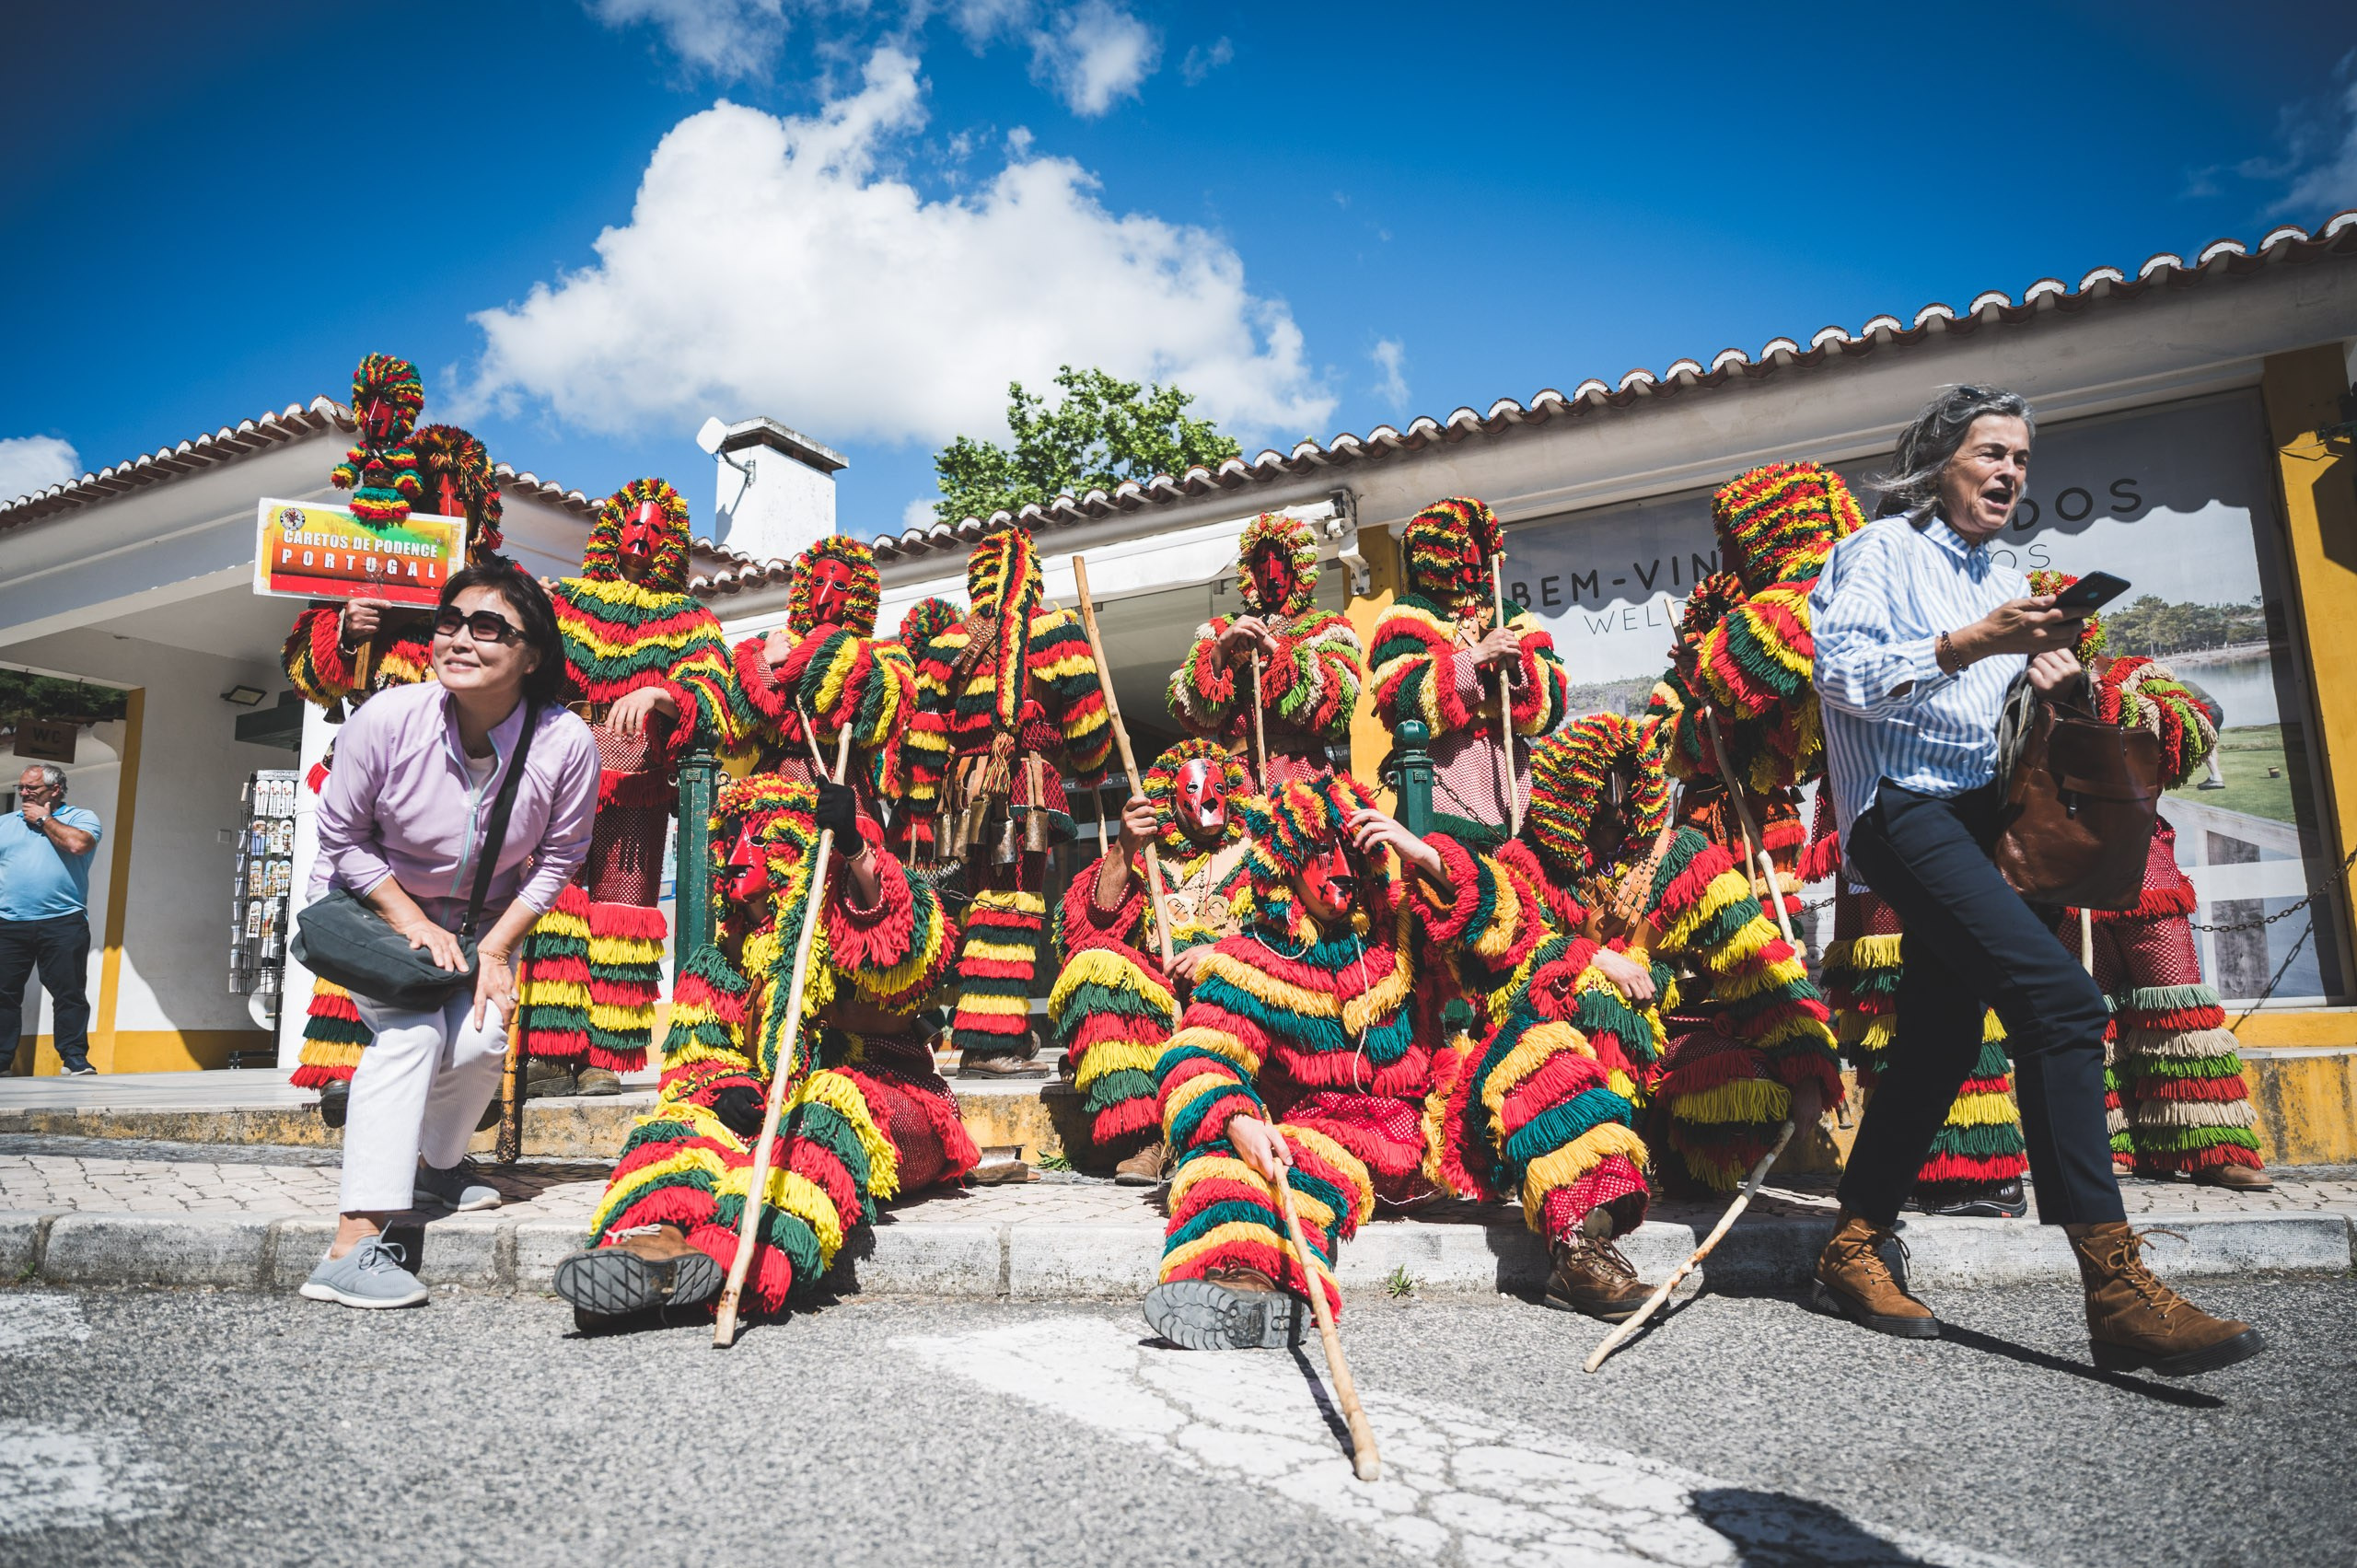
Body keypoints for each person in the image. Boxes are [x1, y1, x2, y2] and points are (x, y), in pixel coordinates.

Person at [1806, 384, 2262, 1376]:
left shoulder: (2001, 574)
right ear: (1937, 462)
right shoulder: (1877, 552)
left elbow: (1989, 706)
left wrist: (2043, 673)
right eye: (1991, 453)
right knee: (2060, 1002)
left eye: (2021, 458)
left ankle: (1847, 1247)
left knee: (1936, 1040)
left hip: (1983, 817)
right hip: (1900, 810)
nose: (2012, 472)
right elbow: (1841, 675)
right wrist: (1979, 641)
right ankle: (2115, 1286)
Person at [556, 772, 975, 1327]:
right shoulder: (724, 956)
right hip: (766, 1109)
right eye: (728, 836)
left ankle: (727, 1259)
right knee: (681, 1119)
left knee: (826, 1105)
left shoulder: (837, 915)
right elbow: (695, 1055)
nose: (732, 855)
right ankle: (650, 1244)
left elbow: (904, 945)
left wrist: (854, 850)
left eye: (755, 837)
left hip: (894, 1108)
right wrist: (726, 1087)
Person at [298, 563, 599, 1310]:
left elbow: (561, 857)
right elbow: (341, 838)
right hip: (372, 909)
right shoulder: (386, 718)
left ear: (532, 654)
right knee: (410, 1038)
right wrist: (411, 920)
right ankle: (352, 1243)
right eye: (450, 620)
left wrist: (495, 947)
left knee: (480, 1040)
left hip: (481, 924)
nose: (460, 637)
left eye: (488, 625)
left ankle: (438, 1167)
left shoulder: (565, 743)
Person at [283, 359, 513, 1121]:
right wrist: (348, 632)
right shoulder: (353, 573)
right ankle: (352, 1068)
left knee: (460, 930)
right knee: (356, 916)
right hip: (373, 789)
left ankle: (455, 1085)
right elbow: (308, 671)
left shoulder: (494, 595)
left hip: (463, 801)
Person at [511, 478, 750, 1097]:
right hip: (559, 773)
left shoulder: (690, 618)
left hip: (638, 782)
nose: (641, 540)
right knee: (553, 904)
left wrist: (661, 692)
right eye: (633, 527)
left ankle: (603, 1058)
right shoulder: (568, 600)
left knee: (623, 911)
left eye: (655, 531)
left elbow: (714, 686)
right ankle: (546, 1050)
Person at [904, 520, 1111, 1078]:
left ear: (977, 580)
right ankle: (989, 1045)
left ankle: (1001, 1030)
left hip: (966, 793)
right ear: (1031, 579)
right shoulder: (1055, 632)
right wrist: (1092, 767)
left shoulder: (945, 644)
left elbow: (923, 737)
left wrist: (923, 810)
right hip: (1024, 789)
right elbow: (1090, 727)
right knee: (1012, 904)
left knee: (983, 904)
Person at [1049, 738, 1255, 1183]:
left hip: (1231, 1008)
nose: (1207, 801)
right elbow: (1093, 924)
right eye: (1194, 793)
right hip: (1158, 1012)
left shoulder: (1256, 857)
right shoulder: (1148, 855)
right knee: (1093, 965)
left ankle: (1219, 1133)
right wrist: (1124, 848)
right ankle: (1148, 1137)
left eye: (1216, 791)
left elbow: (1286, 941)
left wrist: (1220, 956)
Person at [1369, 497, 1569, 847]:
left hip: (1516, 789)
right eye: (1463, 543)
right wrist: (1475, 659)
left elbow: (1553, 703)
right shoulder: (1408, 615)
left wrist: (1519, 666)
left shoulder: (1511, 614)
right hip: (1445, 788)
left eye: (1479, 542)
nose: (1474, 555)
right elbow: (1402, 702)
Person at [1167, 512, 1364, 788]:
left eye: (1281, 561)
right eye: (1261, 563)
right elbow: (1189, 711)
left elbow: (1335, 706)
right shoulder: (1221, 630)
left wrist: (1274, 649)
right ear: (1249, 570)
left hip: (1303, 783)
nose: (1271, 574)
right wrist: (1222, 649)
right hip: (1238, 786)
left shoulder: (1326, 629)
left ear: (1300, 567)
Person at [1, 762, 103, 1076]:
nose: (24, 793)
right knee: (3, 993)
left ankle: (74, 1058)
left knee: (68, 992)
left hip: (62, 922)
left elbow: (78, 844)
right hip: (9, 922)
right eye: (21, 788)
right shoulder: (6, 823)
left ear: (55, 789)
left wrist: (44, 819)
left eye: (32, 787)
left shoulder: (81, 818)